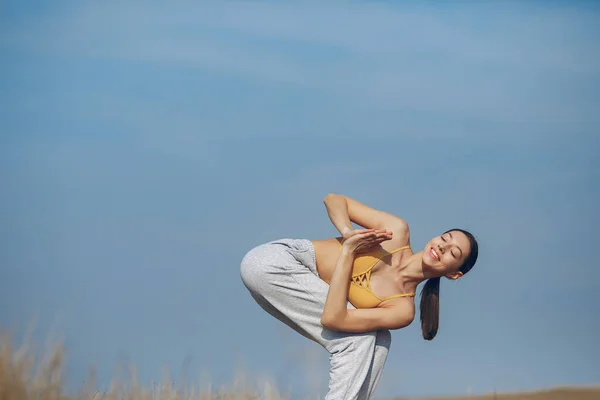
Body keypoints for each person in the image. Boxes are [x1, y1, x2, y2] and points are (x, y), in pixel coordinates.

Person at [240, 193, 479, 400]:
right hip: (278, 262)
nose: (441, 248)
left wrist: (349, 251)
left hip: (293, 289)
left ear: (454, 274)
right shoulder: (395, 232)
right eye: (444, 239)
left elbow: (333, 319)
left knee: (380, 341)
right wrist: (348, 234)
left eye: (453, 253)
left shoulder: (402, 309)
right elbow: (334, 199)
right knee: (359, 340)